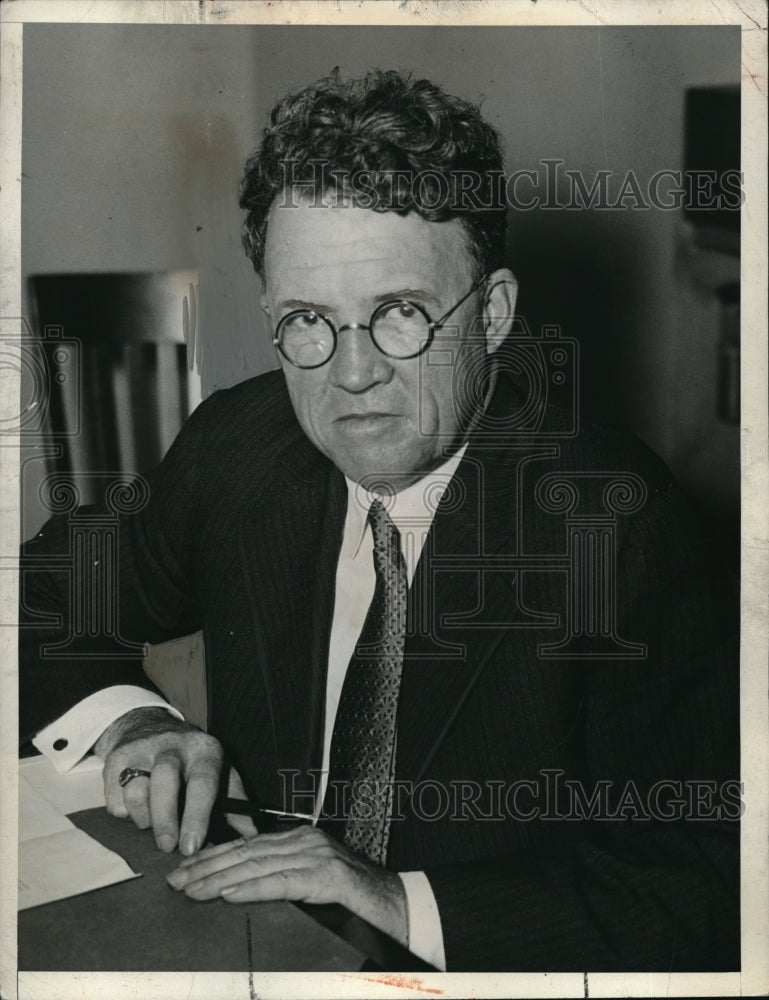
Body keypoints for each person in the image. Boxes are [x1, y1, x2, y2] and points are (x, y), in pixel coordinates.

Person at [19, 69, 739, 972]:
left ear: (497, 315)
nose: (350, 374)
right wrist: (131, 725)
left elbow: (714, 878)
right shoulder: (246, 443)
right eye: (309, 321)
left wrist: (392, 898)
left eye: (398, 314)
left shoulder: (618, 524)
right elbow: (43, 591)